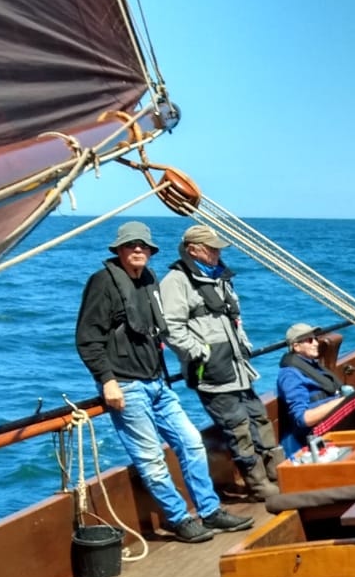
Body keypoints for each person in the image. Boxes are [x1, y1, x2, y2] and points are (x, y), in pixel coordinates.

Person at [74, 221, 249, 542]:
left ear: (151, 251)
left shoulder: (150, 279)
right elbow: (88, 338)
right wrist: (106, 380)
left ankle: (209, 511)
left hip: (158, 382)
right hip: (126, 386)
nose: (137, 249)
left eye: (143, 245)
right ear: (119, 250)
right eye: (130, 245)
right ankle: (179, 519)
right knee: (151, 459)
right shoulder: (102, 283)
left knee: (192, 442)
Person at [159, 223, 282, 500]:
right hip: (211, 372)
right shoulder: (176, 282)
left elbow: (234, 317)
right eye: (211, 249)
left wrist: (244, 343)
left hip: (238, 367)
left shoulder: (220, 277)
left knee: (259, 418)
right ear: (193, 250)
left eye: (217, 249)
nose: (217, 253)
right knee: (238, 428)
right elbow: (170, 327)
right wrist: (200, 352)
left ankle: (276, 472)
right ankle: (259, 485)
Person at [275, 323, 355, 456]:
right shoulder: (290, 374)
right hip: (316, 432)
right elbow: (303, 418)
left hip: (333, 417)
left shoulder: (312, 365)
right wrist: (341, 401)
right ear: (296, 346)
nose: (315, 343)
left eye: (315, 338)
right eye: (309, 340)